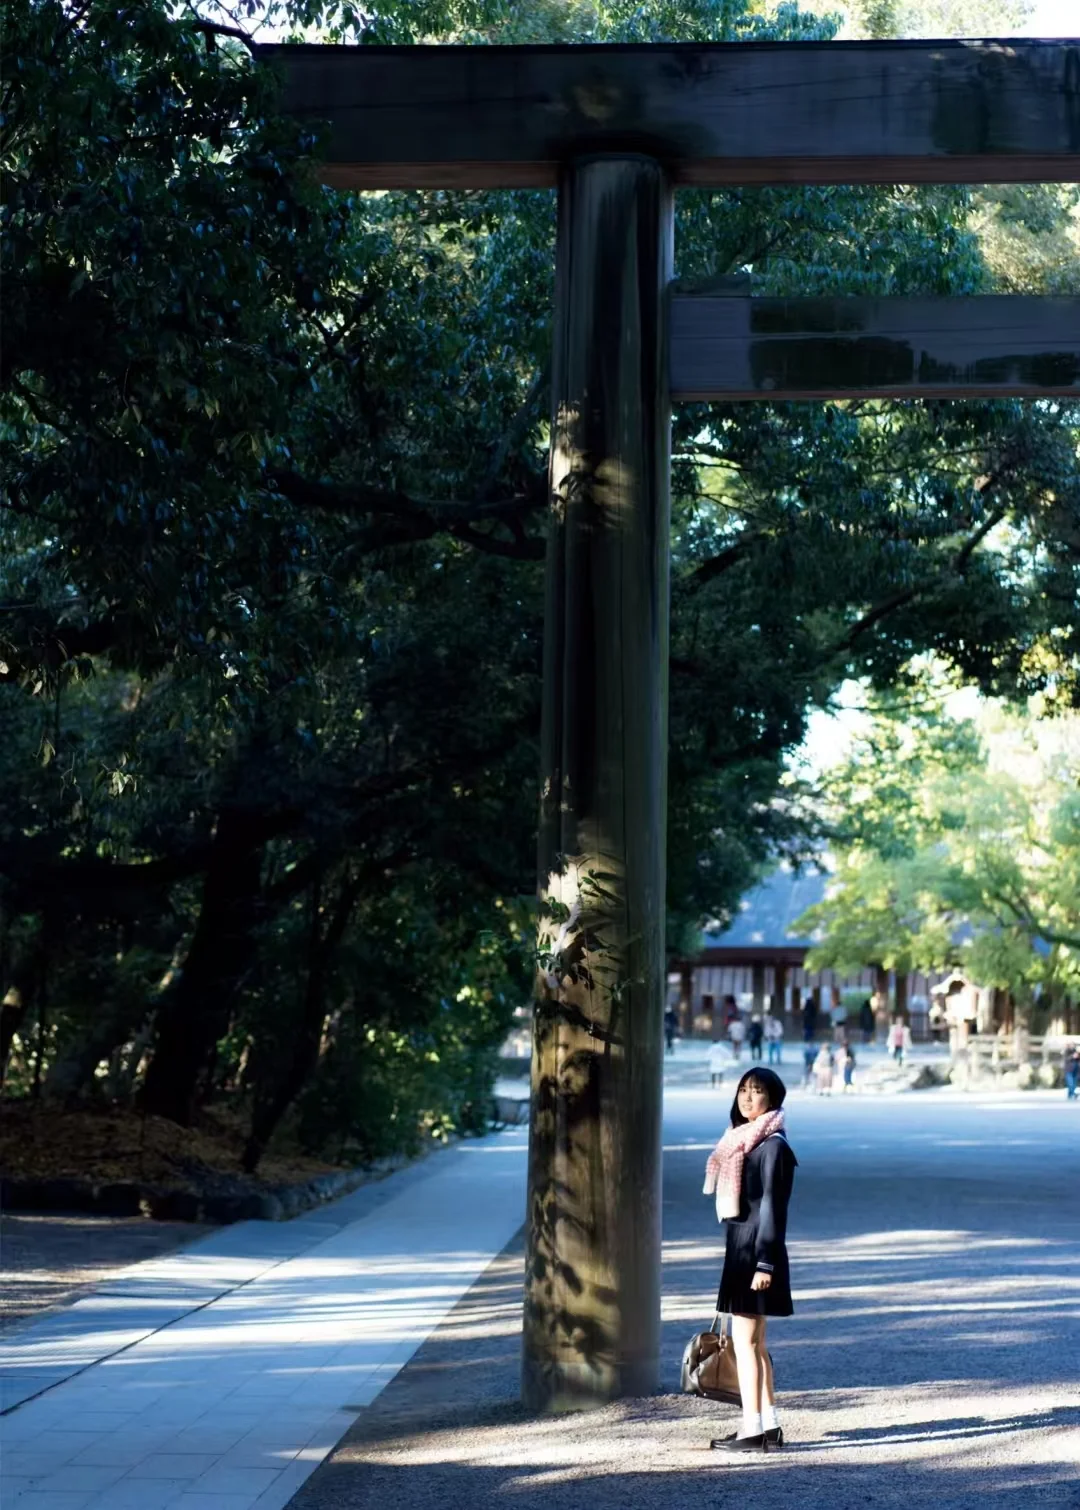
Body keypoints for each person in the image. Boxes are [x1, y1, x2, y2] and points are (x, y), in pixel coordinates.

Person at [703, 1068, 797, 1454]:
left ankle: (751, 1427)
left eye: (756, 1091)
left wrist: (765, 1264)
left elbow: (774, 1208)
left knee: (746, 1344)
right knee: (755, 1344)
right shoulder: (744, 1142)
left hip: (756, 1255)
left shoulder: (773, 1146)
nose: (747, 1098)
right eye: (743, 1090)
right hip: (744, 1252)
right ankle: (768, 1424)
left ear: (772, 1099)